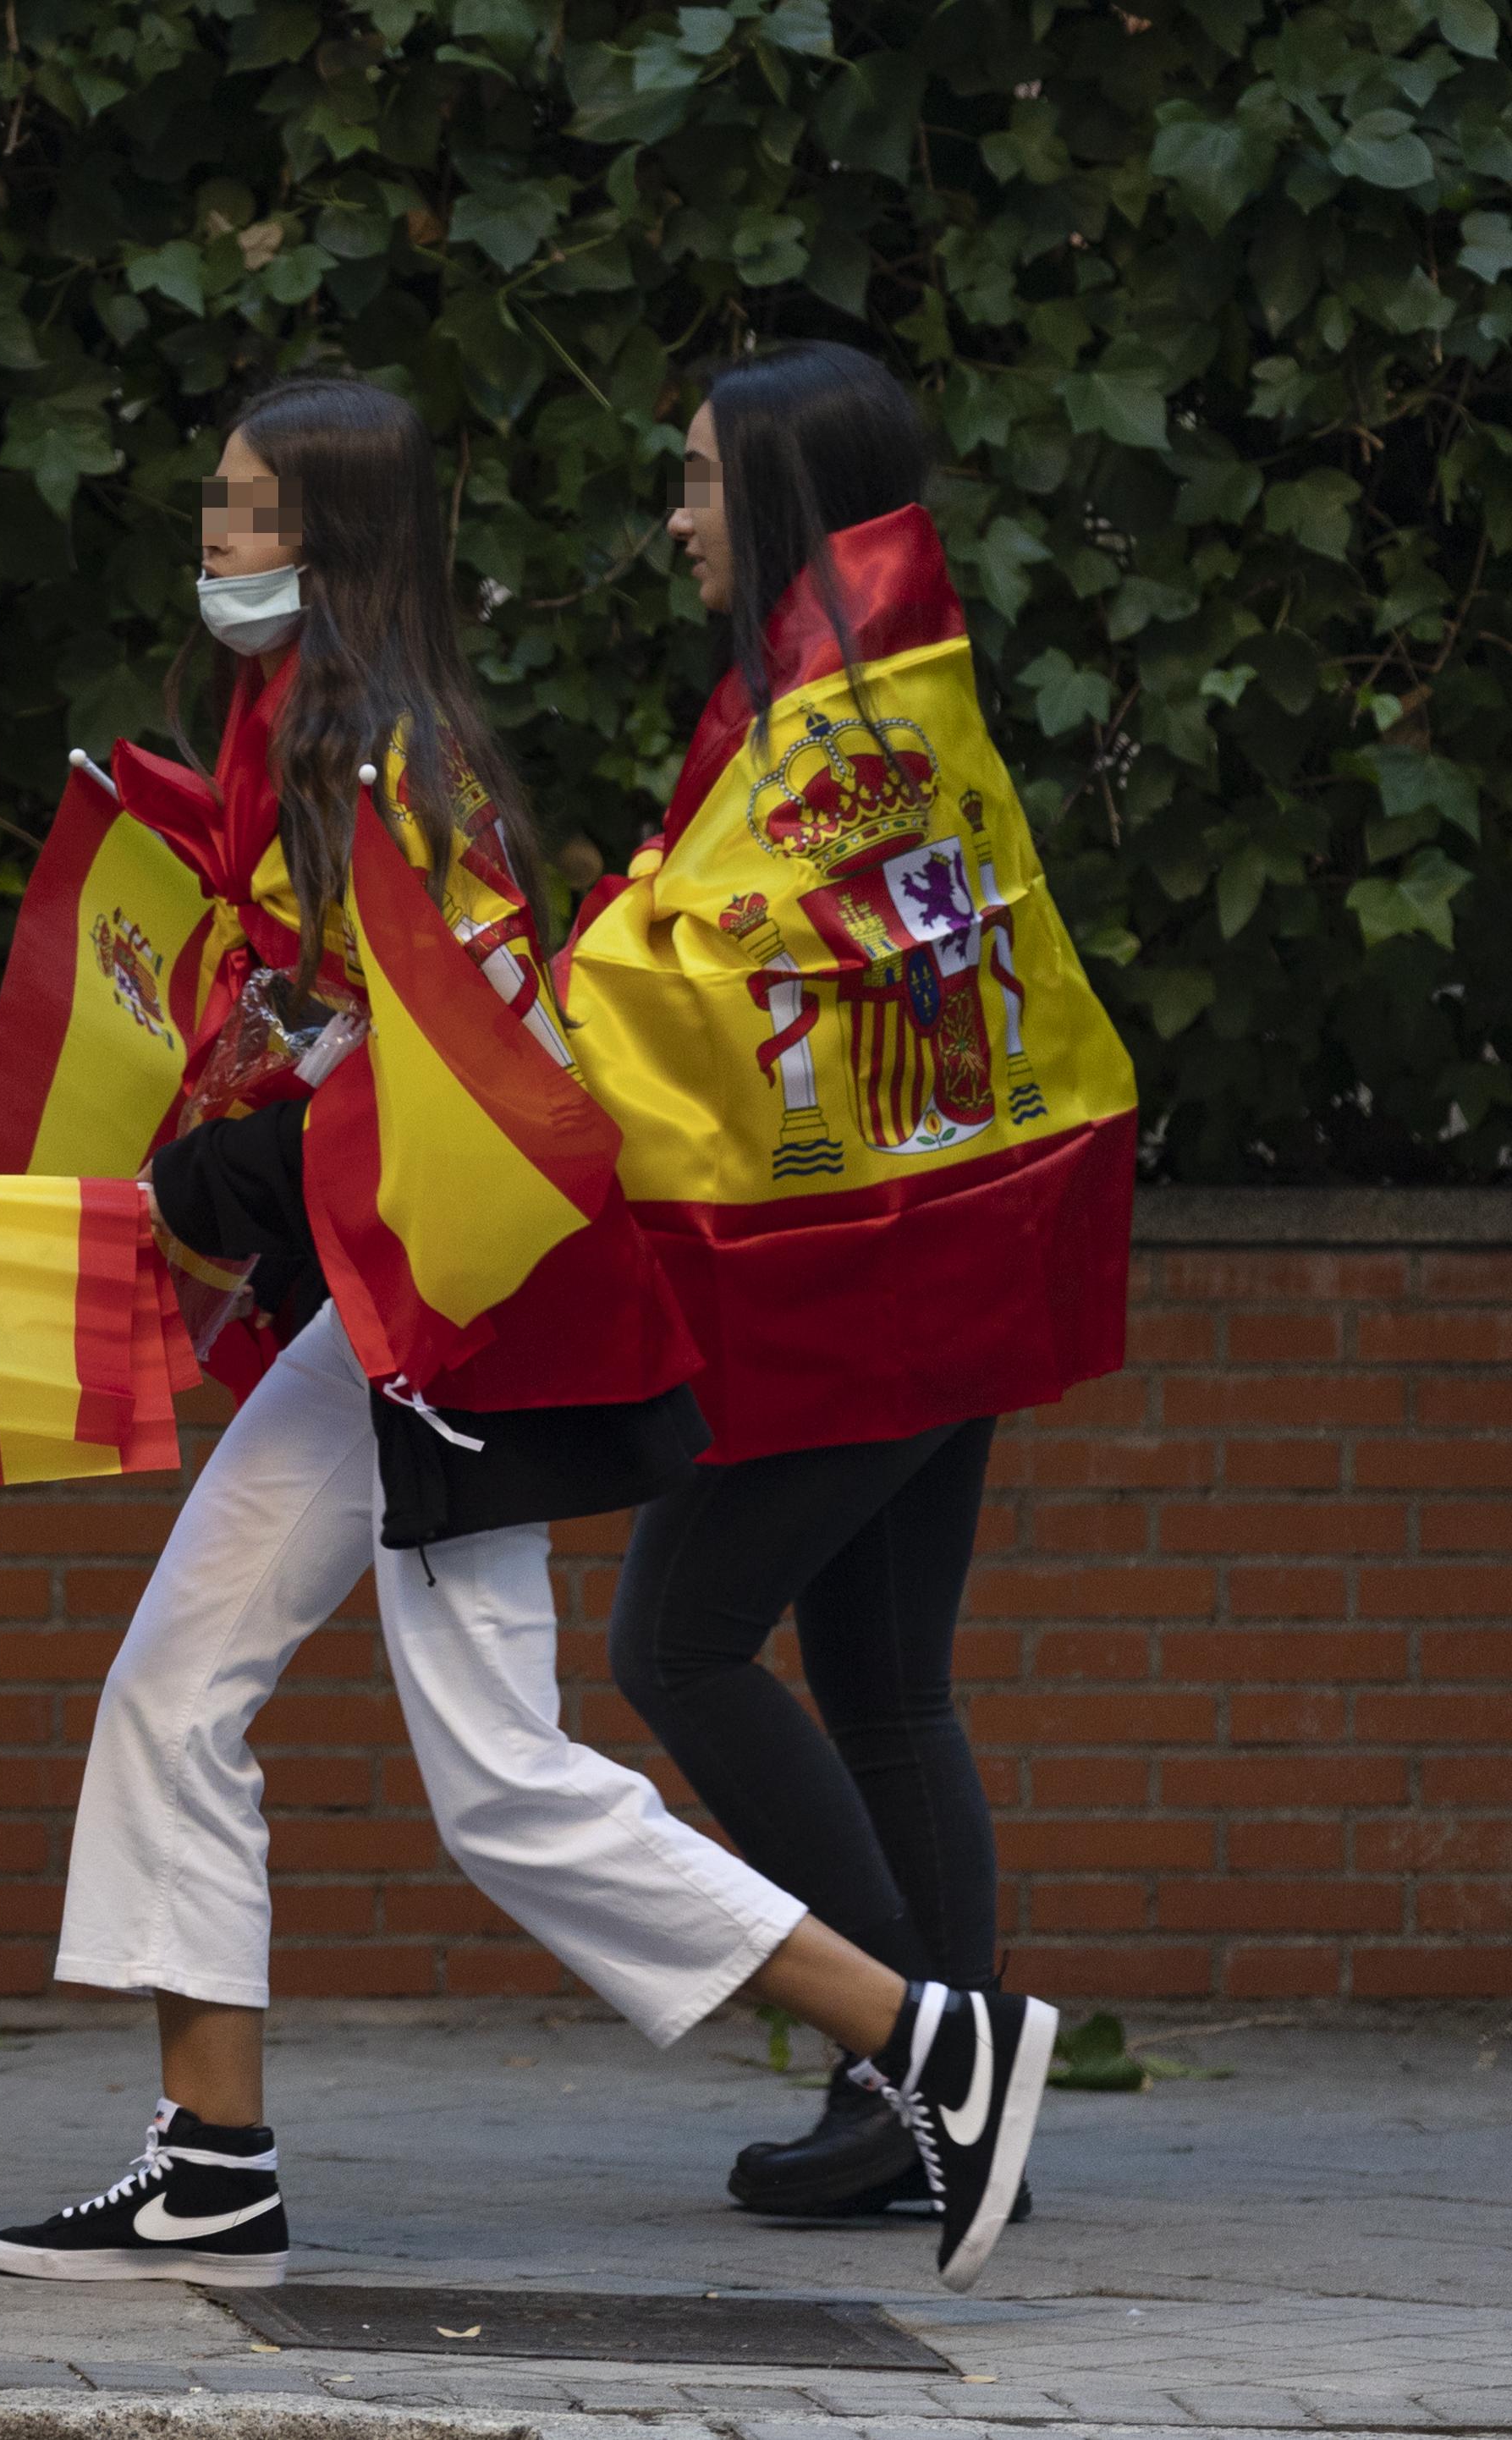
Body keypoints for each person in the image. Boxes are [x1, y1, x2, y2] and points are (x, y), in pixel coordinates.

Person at [0, 376, 1060, 2301]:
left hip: (460, 1324)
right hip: (387, 1299)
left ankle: (924, 2037)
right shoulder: (296, 750)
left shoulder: (389, 772)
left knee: (502, 1774)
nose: (211, 541)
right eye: (213, 507)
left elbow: (470, 1063)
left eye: (241, 514)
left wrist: (233, 1177)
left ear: (325, 542)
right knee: (175, 1684)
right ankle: (212, 2156)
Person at [580, 342, 1136, 2220]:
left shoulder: (841, 731)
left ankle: (926, 2057)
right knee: (888, 1684)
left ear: (789, 500)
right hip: (959, 1240)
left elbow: (698, 965)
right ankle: (935, 2093)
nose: (677, 521)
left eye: (701, 486)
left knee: (676, 1642)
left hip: (884, 1271)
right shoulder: (884, 695)